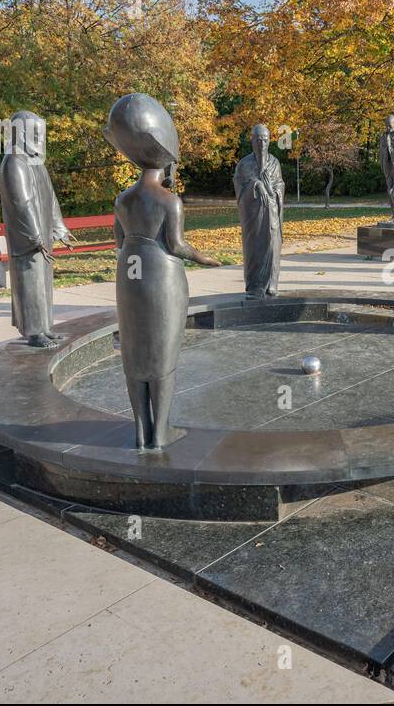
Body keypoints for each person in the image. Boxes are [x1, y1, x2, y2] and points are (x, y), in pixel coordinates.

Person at [105, 93, 219, 450]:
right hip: (161, 274)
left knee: (135, 350)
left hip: (130, 274)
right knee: (163, 353)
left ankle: (141, 430)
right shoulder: (170, 201)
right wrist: (206, 259)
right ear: (166, 164)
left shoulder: (123, 199)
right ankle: (161, 432)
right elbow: (177, 246)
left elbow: (120, 242)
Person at [0, 110, 74, 348]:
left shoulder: (36, 163)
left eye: (42, 135)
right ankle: (33, 331)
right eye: (37, 134)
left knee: (43, 280)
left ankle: (45, 327)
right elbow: (21, 202)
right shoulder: (14, 162)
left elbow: (50, 199)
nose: (42, 140)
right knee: (30, 279)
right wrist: (35, 235)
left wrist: (59, 229)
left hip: (42, 234)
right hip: (28, 236)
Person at [234, 124, 286, 298]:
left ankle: (271, 284)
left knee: (272, 245)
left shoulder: (274, 163)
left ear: (269, 141)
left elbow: (280, 184)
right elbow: (239, 186)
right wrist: (256, 185)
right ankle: (255, 286)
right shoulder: (244, 164)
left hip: (271, 214)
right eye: (258, 140)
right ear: (252, 141)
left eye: (265, 140)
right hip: (254, 217)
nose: (262, 144)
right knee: (255, 248)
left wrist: (272, 189)